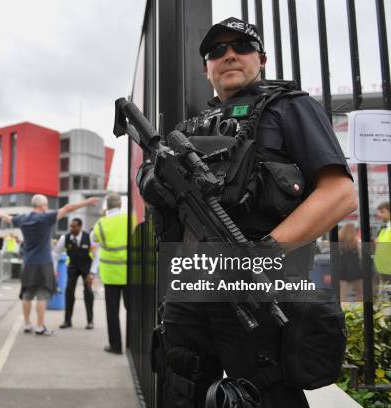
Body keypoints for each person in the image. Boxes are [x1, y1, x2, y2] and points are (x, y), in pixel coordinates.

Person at [137, 17, 357, 407]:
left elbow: (339, 195)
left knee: (263, 394)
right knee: (180, 391)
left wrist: (262, 253)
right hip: (189, 293)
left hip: (259, 291)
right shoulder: (188, 128)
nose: (229, 55)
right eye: (216, 51)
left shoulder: (289, 108)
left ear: (263, 58)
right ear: (206, 68)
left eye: (241, 46)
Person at [0, 194, 99, 336]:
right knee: (42, 296)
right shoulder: (46, 218)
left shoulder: (23, 219)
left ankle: (27, 324)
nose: (47, 207)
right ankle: (40, 326)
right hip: (43, 263)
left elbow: (6, 218)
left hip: (28, 263)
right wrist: (87, 202)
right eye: (46, 205)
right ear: (41, 206)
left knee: (27, 295)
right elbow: (67, 208)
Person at [92, 193, 128, 354]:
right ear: (120, 205)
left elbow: (94, 238)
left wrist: (103, 217)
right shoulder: (129, 220)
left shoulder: (101, 223)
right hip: (129, 273)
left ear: (107, 206)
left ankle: (116, 346)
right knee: (133, 311)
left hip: (111, 275)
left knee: (112, 312)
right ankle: (133, 346)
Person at [53, 218, 96, 330]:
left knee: (88, 292)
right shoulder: (65, 238)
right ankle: (67, 321)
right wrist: (54, 269)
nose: (71, 229)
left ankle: (90, 321)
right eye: (70, 226)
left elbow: (97, 255)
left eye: (74, 227)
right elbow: (55, 254)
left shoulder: (89, 237)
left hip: (86, 267)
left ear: (80, 227)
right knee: (69, 291)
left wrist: (92, 272)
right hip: (72, 267)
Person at [338, 224, 363, 302]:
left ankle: (343, 310)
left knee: (342, 294)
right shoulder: (356, 242)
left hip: (343, 269)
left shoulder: (339, 242)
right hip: (355, 269)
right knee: (359, 293)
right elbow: (361, 256)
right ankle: (360, 310)